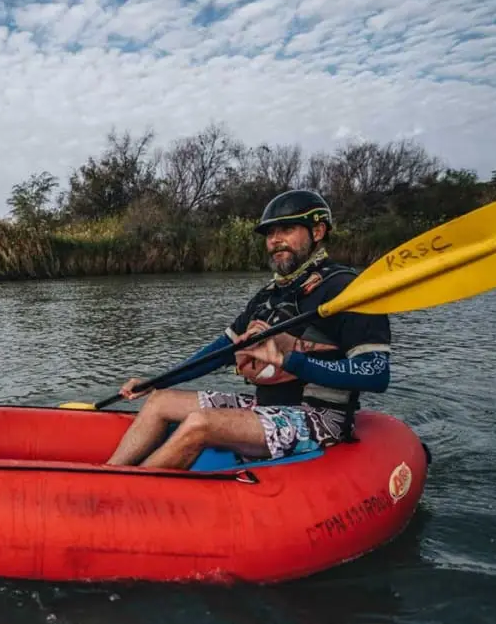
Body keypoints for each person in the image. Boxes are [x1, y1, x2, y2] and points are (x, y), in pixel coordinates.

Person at [106, 189, 391, 470]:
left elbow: (376, 373)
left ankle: (125, 491)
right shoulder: (270, 295)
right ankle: (107, 474)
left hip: (319, 418)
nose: (276, 240)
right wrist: (158, 381)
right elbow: (221, 351)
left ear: (317, 231)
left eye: (287, 229)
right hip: (262, 404)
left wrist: (291, 360)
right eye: (270, 234)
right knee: (159, 401)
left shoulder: (348, 290)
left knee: (201, 423)